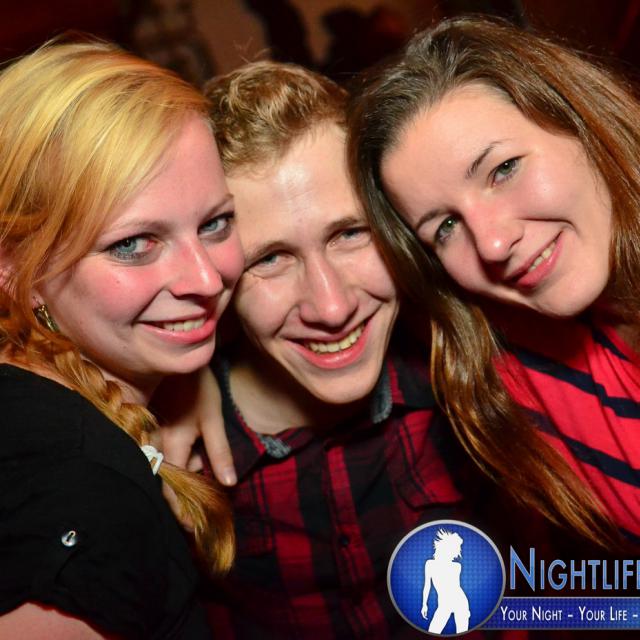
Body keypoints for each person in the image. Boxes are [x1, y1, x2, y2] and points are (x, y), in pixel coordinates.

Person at [168, 59, 559, 640]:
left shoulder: (469, 376)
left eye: (350, 233)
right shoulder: (174, 458)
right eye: (269, 259)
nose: (331, 307)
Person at [348, 16, 639, 546]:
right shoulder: (511, 369)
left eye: (503, 169)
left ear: (581, 120)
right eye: (446, 227)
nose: (493, 243)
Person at [0, 39, 244, 638]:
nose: (206, 279)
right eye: (134, 244)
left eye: (215, 223)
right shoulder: (79, 494)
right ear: (13, 268)